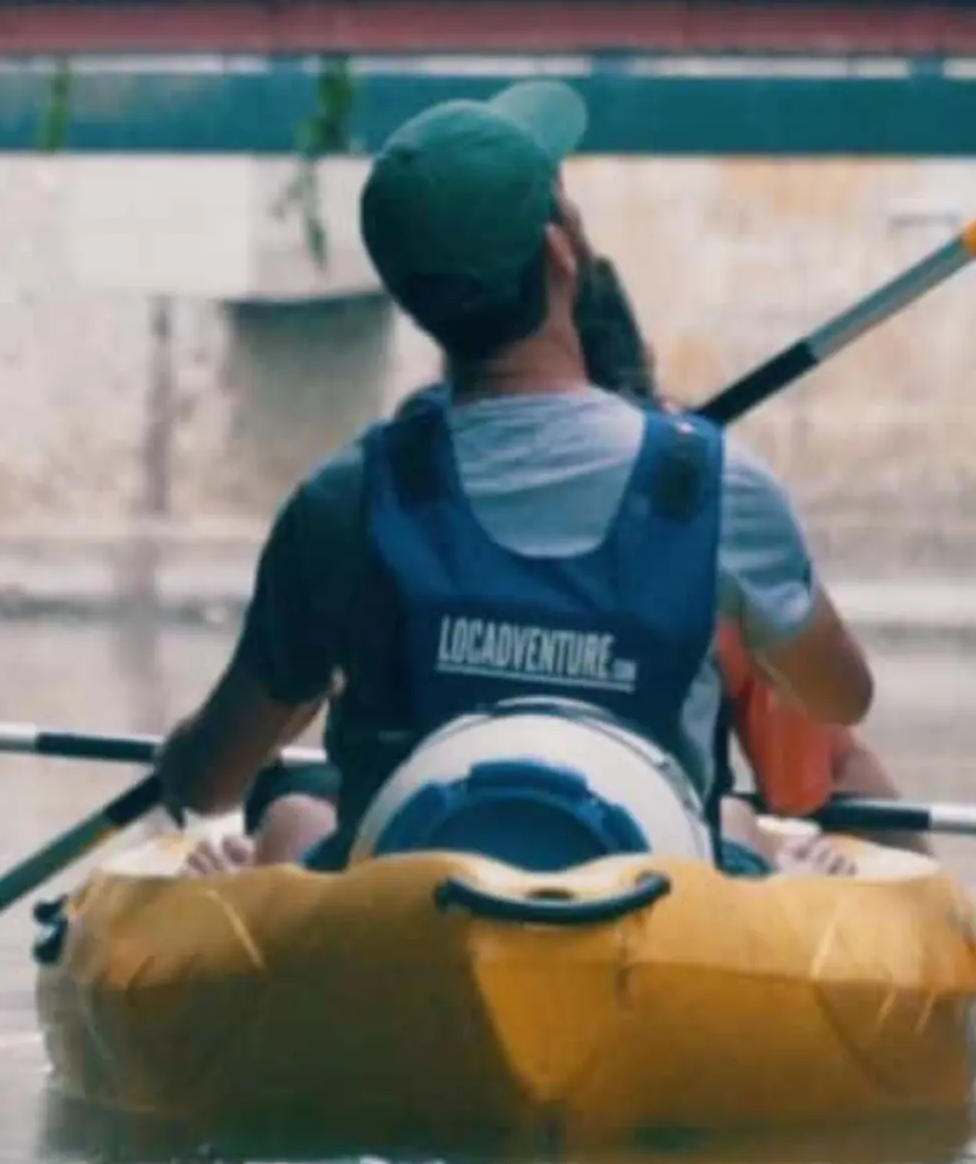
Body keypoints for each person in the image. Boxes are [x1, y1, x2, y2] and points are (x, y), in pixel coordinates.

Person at [153, 79, 877, 873]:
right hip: (654, 903)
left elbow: (210, 777)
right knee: (735, 822)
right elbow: (841, 696)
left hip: (398, 906)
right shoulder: (712, 485)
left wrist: (180, 756)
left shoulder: (344, 502)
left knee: (291, 813)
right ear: (559, 250)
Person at [569, 253, 927, 863]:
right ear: (646, 364)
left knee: (740, 819)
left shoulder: (391, 489)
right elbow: (832, 756)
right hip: (660, 870)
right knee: (735, 820)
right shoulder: (707, 526)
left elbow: (827, 765)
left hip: (433, 860)